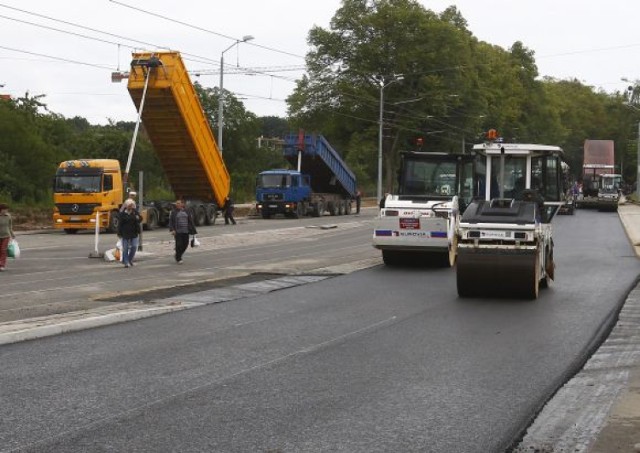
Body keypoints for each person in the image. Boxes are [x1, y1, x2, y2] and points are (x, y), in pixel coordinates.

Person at [169, 200, 197, 264]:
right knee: (179, 244)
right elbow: (171, 221)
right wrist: (172, 230)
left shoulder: (187, 211)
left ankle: (177, 254)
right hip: (177, 231)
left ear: (182, 204)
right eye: (177, 203)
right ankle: (179, 258)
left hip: (186, 231)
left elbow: (190, 221)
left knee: (185, 244)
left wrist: (193, 230)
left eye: (179, 203)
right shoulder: (174, 212)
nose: (177, 204)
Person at [117, 200, 142, 268]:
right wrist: (119, 233)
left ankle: (129, 259)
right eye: (129, 205)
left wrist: (138, 218)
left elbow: (140, 219)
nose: (130, 207)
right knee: (125, 248)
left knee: (134, 247)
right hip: (125, 233)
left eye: (132, 205)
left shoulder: (135, 212)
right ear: (126, 206)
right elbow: (120, 224)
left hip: (134, 232)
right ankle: (126, 262)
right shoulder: (122, 213)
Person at [0, 203, 16, 272]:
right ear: (1, 209)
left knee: (3, 250)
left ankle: (2, 265)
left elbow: (10, 226)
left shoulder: (8, 216)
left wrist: (12, 234)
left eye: (7, 209)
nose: (6, 211)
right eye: (4, 209)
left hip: (6, 235)